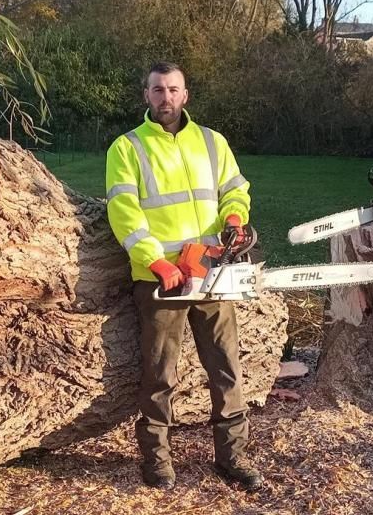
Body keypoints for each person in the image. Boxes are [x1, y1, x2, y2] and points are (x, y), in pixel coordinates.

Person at [104, 62, 263, 492]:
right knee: (160, 373)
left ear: (185, 95)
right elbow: (124, 211)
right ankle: (156, 459)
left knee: (226, 368)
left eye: (173, 90)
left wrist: (234, 217)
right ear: (146, 95)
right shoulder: (127, 148)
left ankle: (233, 456)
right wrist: (156, 261)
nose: (166, 98)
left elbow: (235, 187)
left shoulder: (212, 142)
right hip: (160, 278)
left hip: (210, 270)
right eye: (158, 90)